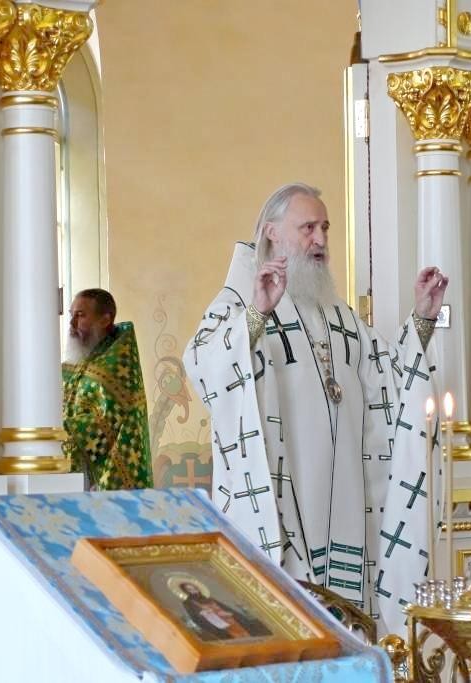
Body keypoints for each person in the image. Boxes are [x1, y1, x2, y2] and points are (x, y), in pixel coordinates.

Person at [184, 183, 448, 634]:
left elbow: (391, 382)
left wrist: (421, 319)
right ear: (272, 232)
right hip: (287, 507)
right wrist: (255, 316)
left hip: (348, 508)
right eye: (308, 228)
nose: (321, 239)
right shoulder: (240, 301)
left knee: (349, 629)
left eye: (324, 227)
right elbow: (203, 366)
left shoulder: (339, 316)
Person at [62, 288, 153, 490]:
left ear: (104, 320)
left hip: (106, 474)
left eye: (80, 315)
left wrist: (60, 429)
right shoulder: (75, 366)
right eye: (71, 315)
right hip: (69, 474)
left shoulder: (117, 366)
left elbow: (106, 421)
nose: (72, 323)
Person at [178, 581, 270, 641]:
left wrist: (230, 613)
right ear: (186, 591)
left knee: (246, 633)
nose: (194, 590)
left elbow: (224, 608)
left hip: (230, 620)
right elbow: (196, 617)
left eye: (194, 588)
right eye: (190, 589)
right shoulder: (188, 603)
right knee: (235, 638)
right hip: (218, 624)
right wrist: (208, 613)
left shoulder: (208, 598)